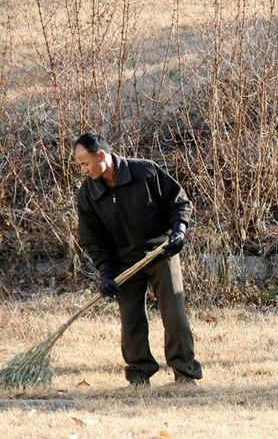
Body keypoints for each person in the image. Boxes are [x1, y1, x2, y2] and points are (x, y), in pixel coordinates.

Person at [73, 133, 202, 387]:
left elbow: (179, 201)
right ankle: (139, 375)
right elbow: (93, 240)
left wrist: (179, 231)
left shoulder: (144, 171)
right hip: (124, 261)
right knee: (130, 318)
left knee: (174, 312)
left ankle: (185, 373)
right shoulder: (87, 193)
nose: (83, 170)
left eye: (85, 163)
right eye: (80, 165)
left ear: (101, 156)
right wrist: (106, 272)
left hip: (160, 250)